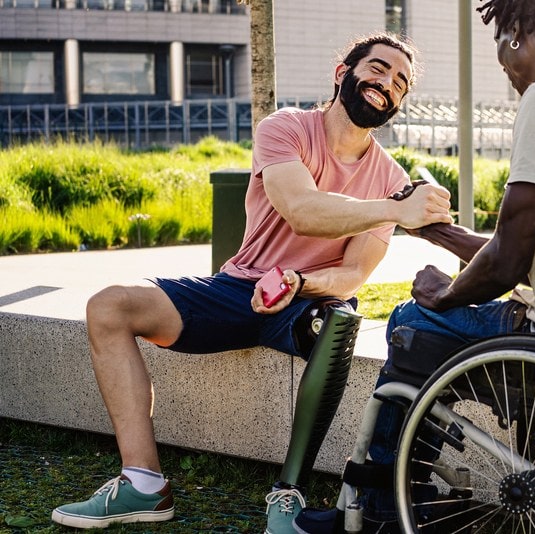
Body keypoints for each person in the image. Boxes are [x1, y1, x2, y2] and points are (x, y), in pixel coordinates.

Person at [50, 32, 453, 533]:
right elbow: (300, 209)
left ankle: (289, 496)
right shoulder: (285, 127)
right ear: (342, 72)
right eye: (378, 68)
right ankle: (143, 484)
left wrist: (298, 280)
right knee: (109, 306)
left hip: (310, 301)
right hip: (239, 288)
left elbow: (353, 273)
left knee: (341, 321)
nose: (387, 84)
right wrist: (397, 207)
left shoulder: (388, 175)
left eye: (400, 82)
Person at [292, 0, 535, 532]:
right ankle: (418, 482)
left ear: (514, 33)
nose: (508, 73)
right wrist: (440, 235)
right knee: (438, 320)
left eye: (502, 53)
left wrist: (443, 295)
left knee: (410, 323)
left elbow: (509, 261)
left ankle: (377, 510)